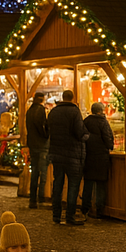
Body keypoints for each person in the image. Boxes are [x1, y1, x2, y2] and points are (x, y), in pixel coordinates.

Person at [47, 89, 89, 225]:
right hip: (73, 154)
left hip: (57, 154)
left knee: (57, 184)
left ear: (62, 97)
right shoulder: (74, 112)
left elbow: (47, 130)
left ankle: (56, 215)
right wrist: (86, 135)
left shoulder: (53, 112)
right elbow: (79, 132)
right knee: (73, 186)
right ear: (72, 98)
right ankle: (70, 216)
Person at [82, 102, 114, 219]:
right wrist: (110, 146)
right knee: (100, 184)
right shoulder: (103, 122)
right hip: (101, 157)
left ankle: (85, 208)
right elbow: (108, 138)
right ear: (101, 111)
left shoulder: (85, 121)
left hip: (88, 156)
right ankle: (99, 209)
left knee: (88, 184)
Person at [25, 91, 49, 208]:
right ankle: (41, 198)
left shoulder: (29, 111)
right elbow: (42, 126)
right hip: (41, 144)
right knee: (43, 173)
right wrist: (46, 135)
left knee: (34, 172)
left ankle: (32, 199)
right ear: (42, 99)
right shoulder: (40, 110)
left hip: (32, 144)